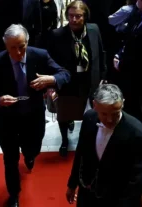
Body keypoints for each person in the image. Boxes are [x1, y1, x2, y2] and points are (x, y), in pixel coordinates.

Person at [0, 24, 70, 207]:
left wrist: (51, 80)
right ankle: (13, 194)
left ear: (27, 43)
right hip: (7, 121)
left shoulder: (39, 55)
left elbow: (65, 74)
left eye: (21, 46)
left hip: (34, 117)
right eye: (13, 47)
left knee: (33, 148)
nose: (18, 52)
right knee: (10, 160)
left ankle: (30, 156)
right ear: (5, 46)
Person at [66, 83, 142, 207]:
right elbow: (81, 153)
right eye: (104, 114)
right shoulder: (89, 118)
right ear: (94, 105)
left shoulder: (141, 137)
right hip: (87, 193)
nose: (110, 119)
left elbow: (135, 184)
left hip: (114, 202)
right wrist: (72, 184)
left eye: (115, 112)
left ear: (123, 103)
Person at [46, 0, 107, 157]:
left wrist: (103, 76)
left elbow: (101, 53)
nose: (74, 20)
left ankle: (89, 140)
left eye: (78, 16)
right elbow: (51, 61)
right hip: (68, 82)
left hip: (90, 80)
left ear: (85, 17)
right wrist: (53, 82)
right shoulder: (57, 35)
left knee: (93, 114)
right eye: (71, 16)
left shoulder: (94, 30)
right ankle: (65, 140)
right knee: (64, 113)